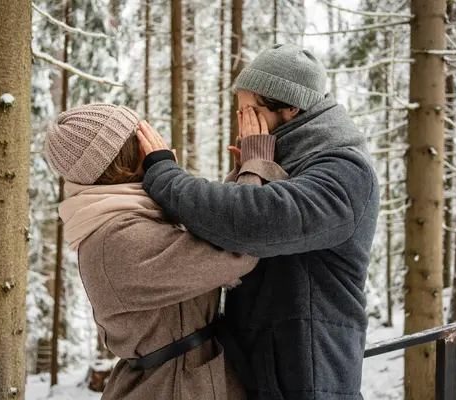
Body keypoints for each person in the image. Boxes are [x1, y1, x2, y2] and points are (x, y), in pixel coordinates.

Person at [136, 44, 380, 400]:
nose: (242, 121)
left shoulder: (345, 171)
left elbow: (252, 221)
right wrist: (251, 167)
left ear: (291, 107)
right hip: (263, 365)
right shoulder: (289, 158)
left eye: (251, 111)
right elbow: (222, 231)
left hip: (310, 372)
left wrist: (165, 175)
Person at [44, 103, 287, 399]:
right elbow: (238, 248)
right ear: (130, 156)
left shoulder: (127, 216)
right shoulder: (117, 238)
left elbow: (206, 236)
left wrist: (241, 176)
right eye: (143, 135)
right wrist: (255, 165)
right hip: (171, 388)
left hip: (185, 380)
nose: (157, 141)